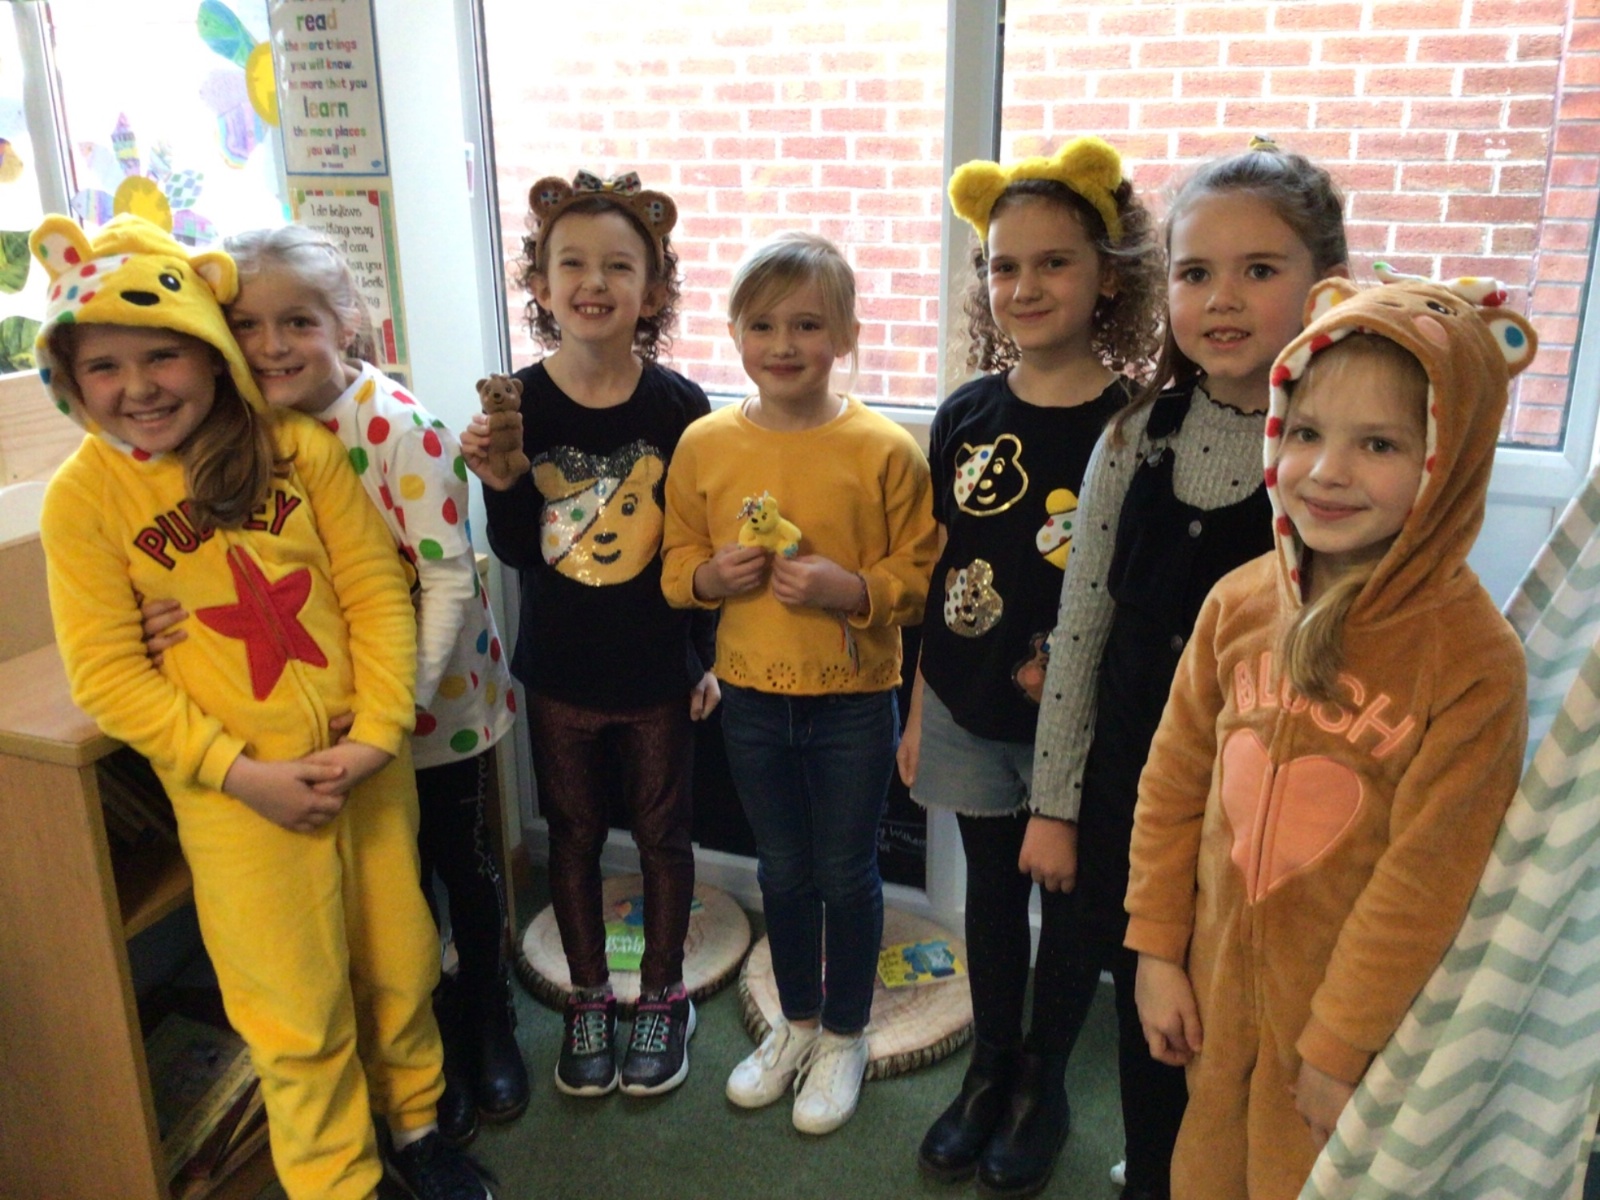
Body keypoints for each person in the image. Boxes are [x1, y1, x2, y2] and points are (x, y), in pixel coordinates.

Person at [28, 212, 492, 1199]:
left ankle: (415, 1124)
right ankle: (339, 1180)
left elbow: (376, 593)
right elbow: (108, 676)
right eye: (104, 366)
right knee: (294, 1004)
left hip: (364, 771)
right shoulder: (83, 500)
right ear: (69, 379)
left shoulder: (296, 448)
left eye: (163, 353)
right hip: (241, 803)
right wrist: (242, 775)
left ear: (208, 351)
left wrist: (377, 735)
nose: (140, 386)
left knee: (401, 957)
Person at [1127, 267, 1535, 1200]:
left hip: (1348, 1037)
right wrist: (1154, 947)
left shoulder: (1474, 663)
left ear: (1450, 461)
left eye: (1379, 443)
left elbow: (1425, 881)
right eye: (1307, 432)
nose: (1326, 471)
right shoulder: (1237, 603)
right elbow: (1172, 786)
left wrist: (1339, 1044)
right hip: (1214, 991)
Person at [1028, 139, 1350, 1200]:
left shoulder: (1336, 457)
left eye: (1259, 270)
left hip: (1269, 818)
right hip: (1136, 802)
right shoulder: (1135, 436)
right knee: (1149, 1016)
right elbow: (1081, 628)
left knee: (1247, 1031)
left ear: (1325, 281)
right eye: (1195, 271)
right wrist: (1056, 804)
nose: (1221, 299)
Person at [897, 137, 1162, 1197]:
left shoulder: (1136, 426)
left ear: (1109, 276)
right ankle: (990, 1068)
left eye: (1054, 262)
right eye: (1005, 265)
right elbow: (940, 571)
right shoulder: (965, 414)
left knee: (1079, 909)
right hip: (966, 709)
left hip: (1080, 731)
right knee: (994, 898)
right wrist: (920, 707)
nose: (1026, 285)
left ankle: (1043, 1082)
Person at [661, 230, 938, 1135]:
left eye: (808, 325)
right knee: (782, 868)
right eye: (763, 325)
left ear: (846, 335)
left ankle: (846, 1035)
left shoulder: (884, 449)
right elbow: (675, 565)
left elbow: (920, 577)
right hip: (750, 695)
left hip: (854, 701)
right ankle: (800, 1023)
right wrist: (713, 577)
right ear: (735, 334)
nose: (784, 344)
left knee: (846, 871)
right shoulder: (704, 444)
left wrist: (850, 589)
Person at [461, 169, 716, 1100]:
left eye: (619, 266)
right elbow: (517, 552)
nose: (594, 282)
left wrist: (706, 659)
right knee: (571, 834)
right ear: (539, 283)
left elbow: (697, 545)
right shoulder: (518, 406)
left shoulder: (681, 407)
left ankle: (663, 993)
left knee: (663, 834)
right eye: (572, 263)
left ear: (653, 290)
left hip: (657, 672)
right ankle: (588, 994)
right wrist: (503, 482)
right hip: (561, 673)